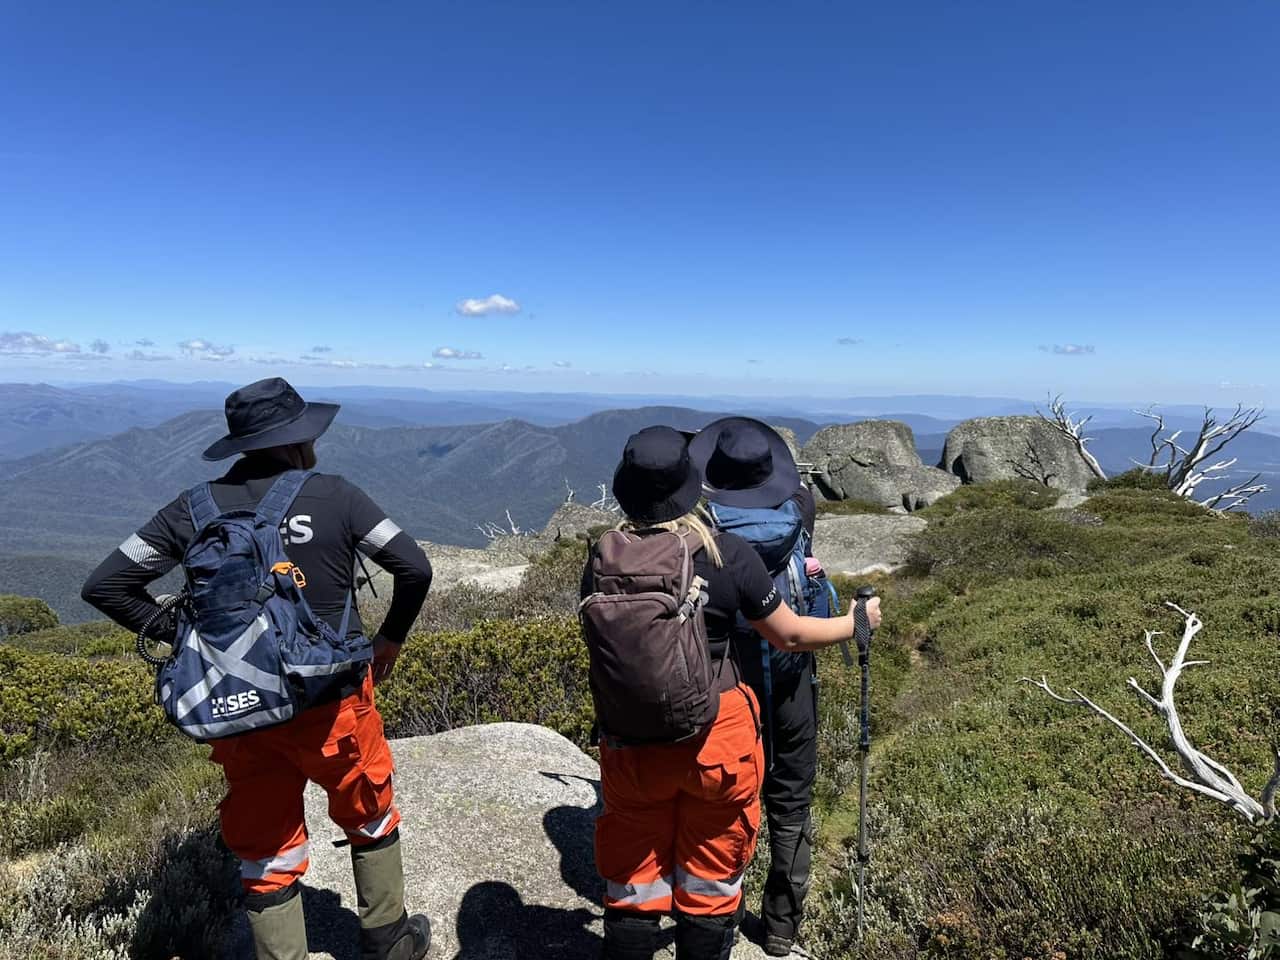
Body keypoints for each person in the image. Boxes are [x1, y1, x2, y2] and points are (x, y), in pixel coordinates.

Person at [81, 377, 433, 960]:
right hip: (332, 701)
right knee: (368, 813)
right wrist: (389, 639)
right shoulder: (336, 496)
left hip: (242, 705)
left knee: (265, 845)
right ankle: (388, 940)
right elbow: (414, 567)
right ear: (299, 440)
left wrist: (194, 639)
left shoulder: (190, 509)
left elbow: (106, 585)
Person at [586, 427, 880, 960]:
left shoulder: (601, 559)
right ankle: (758, 931)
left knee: (633, 880)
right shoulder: (726, 555)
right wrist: (856, 621)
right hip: (717, 739)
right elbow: (789, 633)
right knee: (711, 880)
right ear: (690, 486)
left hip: (631, 742)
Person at [688, 417, 823, 958]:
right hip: (792, 673)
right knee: (791, 797)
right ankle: (781, 926)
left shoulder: (700, 526)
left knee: (724, 792)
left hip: (726, 679)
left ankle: (718, 907)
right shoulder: (804, 507)